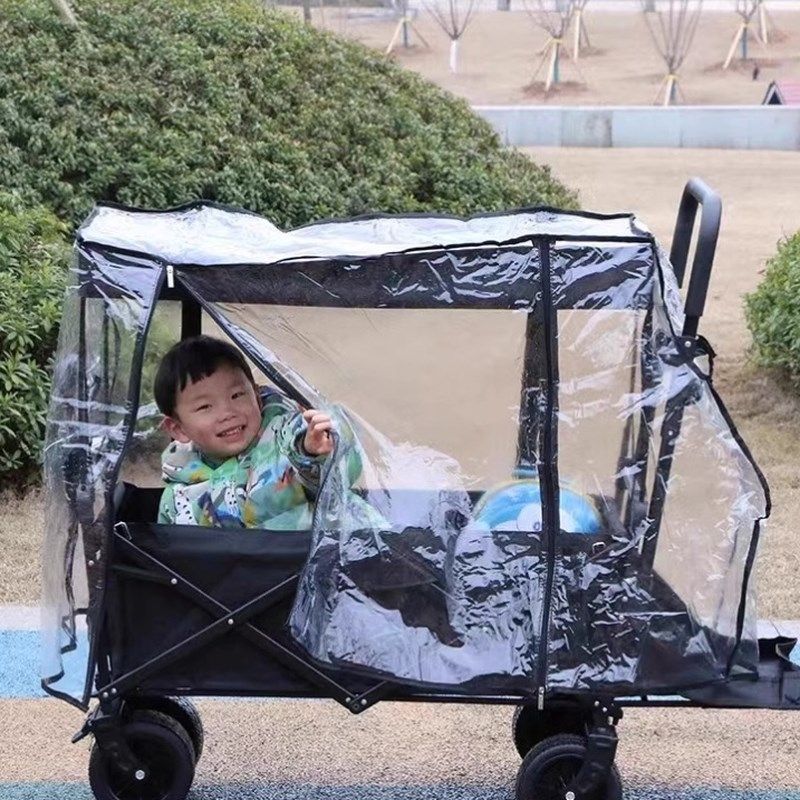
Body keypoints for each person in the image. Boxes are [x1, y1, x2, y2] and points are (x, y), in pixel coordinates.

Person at [154, 335, 334, 529]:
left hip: (327, 553)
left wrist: (312, 453)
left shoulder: (289, 438)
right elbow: (171, 552)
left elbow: (342, 471)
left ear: (257, 396)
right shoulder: (178, 497)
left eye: (237, 395)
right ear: (178, 429)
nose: (227, 413)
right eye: (205, 406)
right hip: (236, 559)